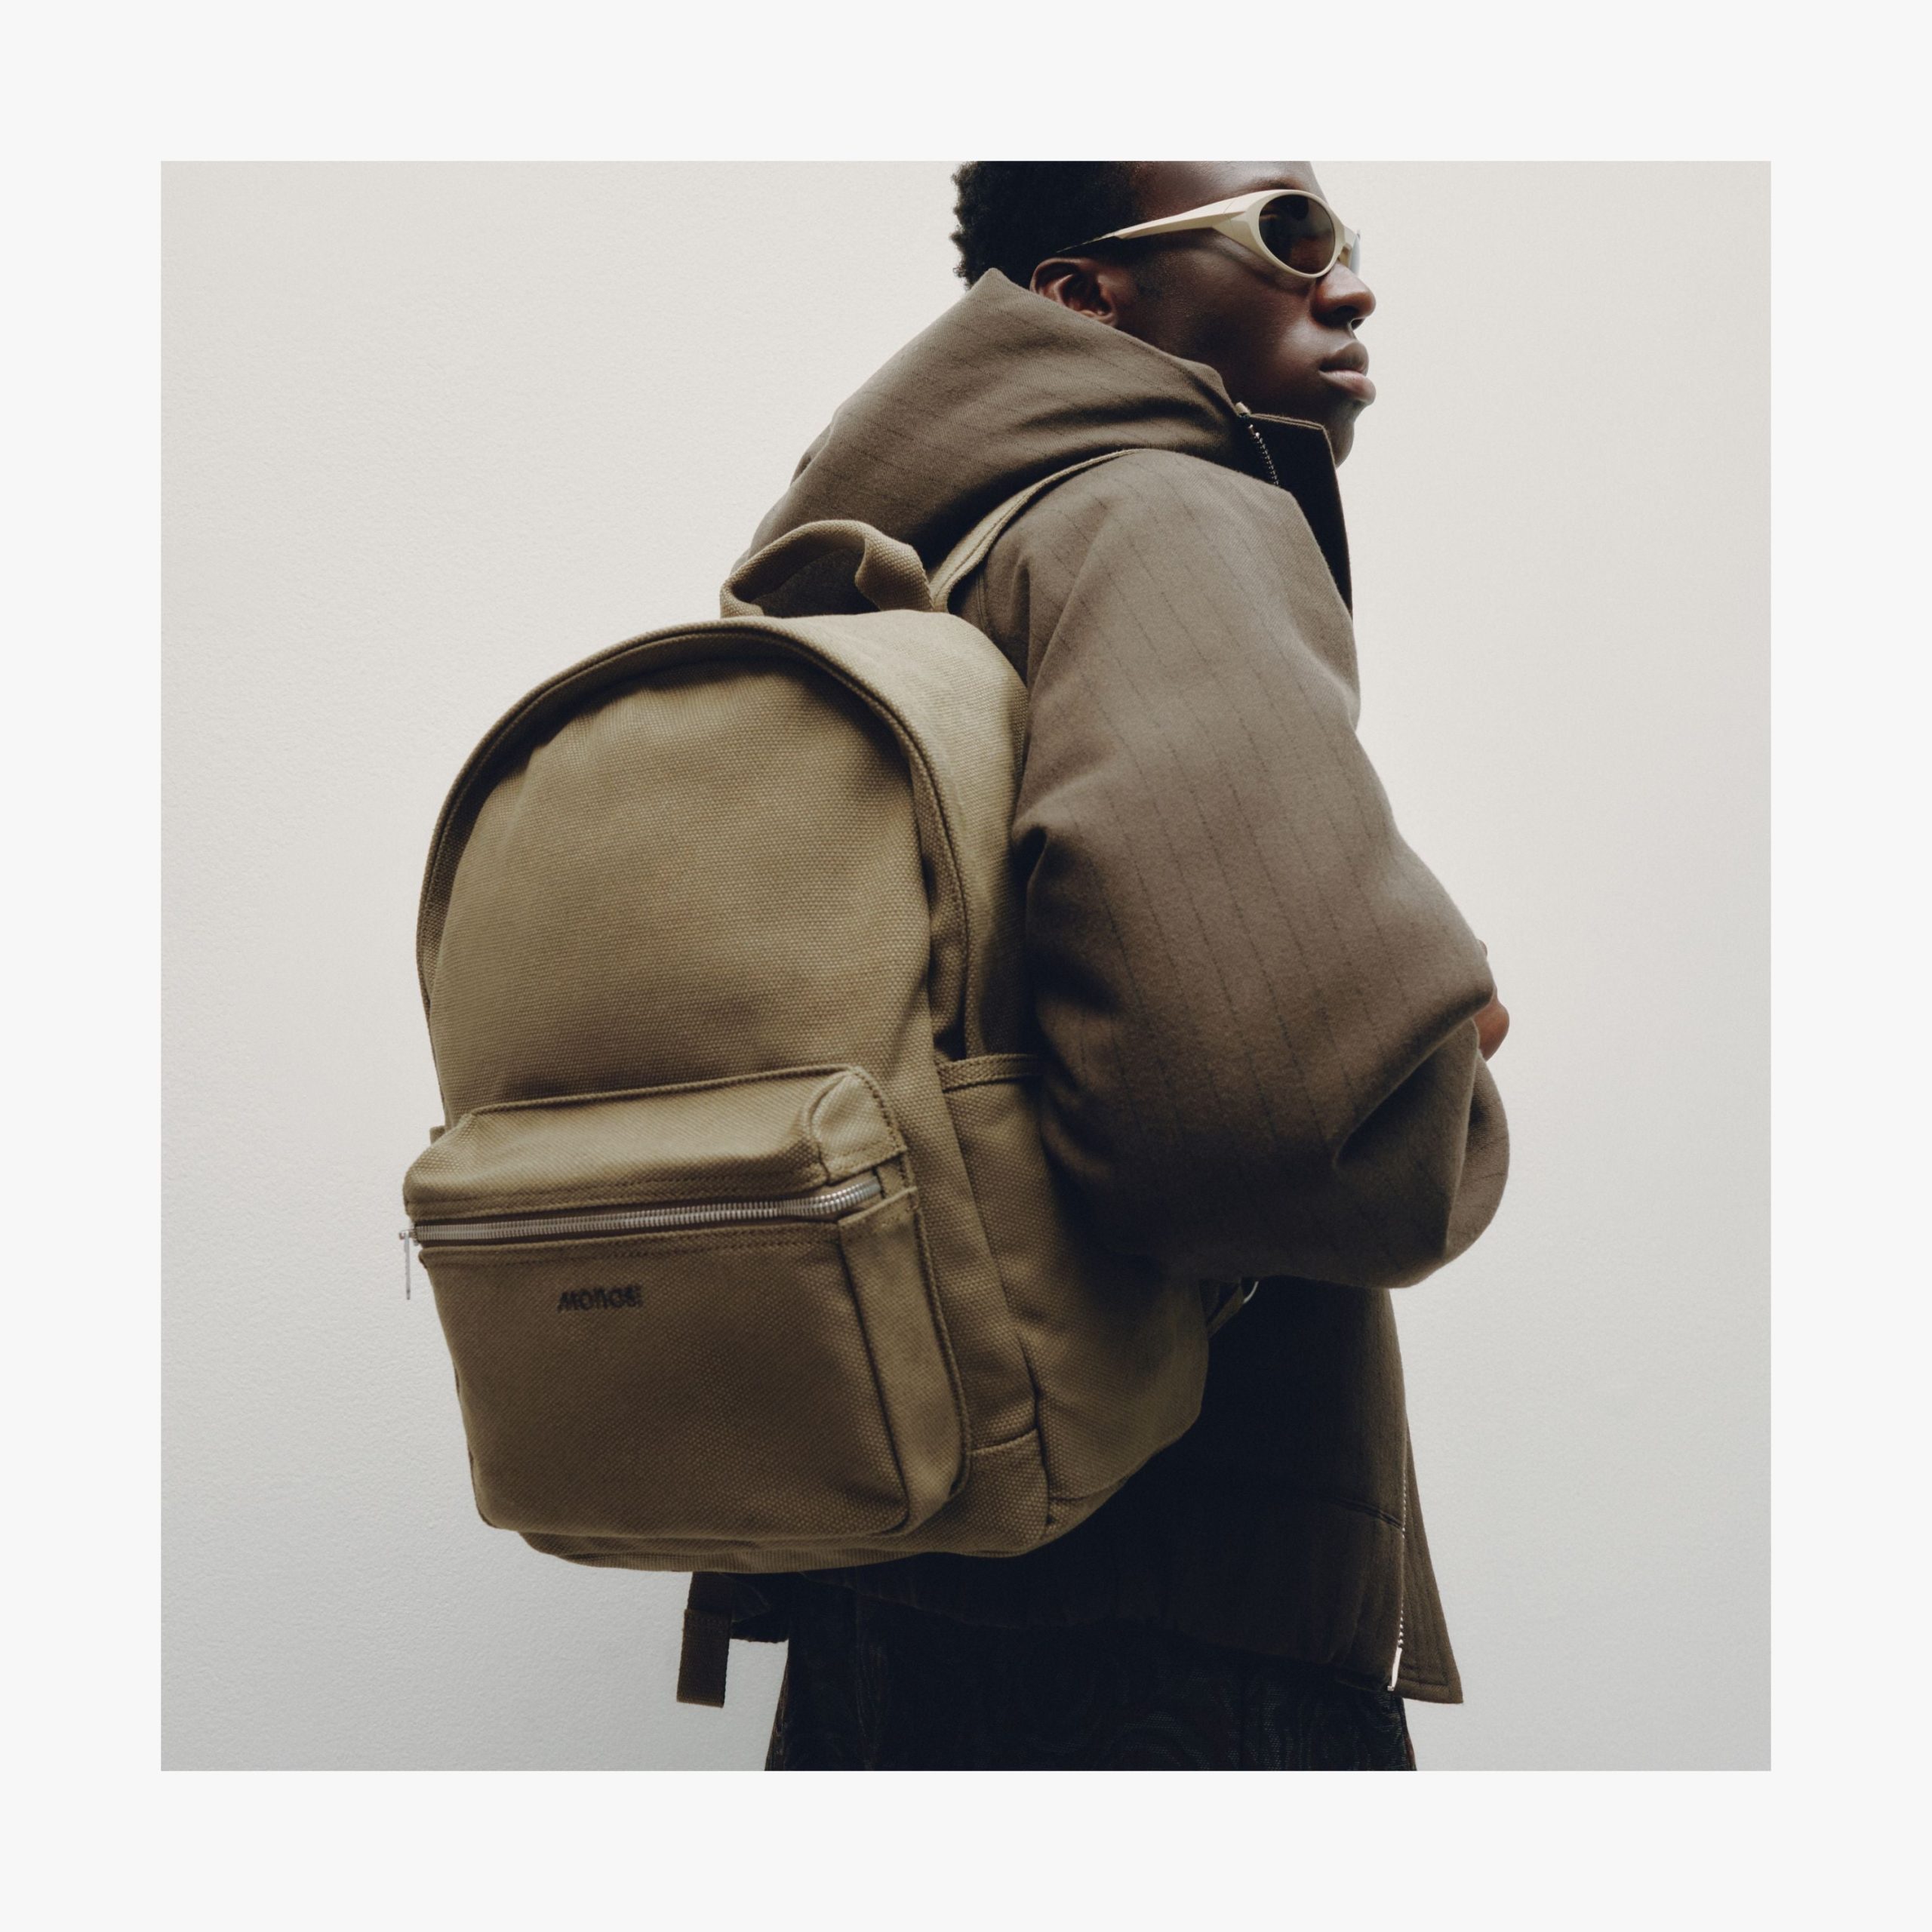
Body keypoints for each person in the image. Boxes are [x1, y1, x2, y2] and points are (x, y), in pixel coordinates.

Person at [734, 161, 1511, 1771]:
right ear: (1088, 301)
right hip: (1171, 1612)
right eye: (1287, 232)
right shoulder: (1159, 513)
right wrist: (1449, 1078)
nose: (1346, 282)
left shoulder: (884, 582)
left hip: (882, 1571)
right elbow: (1269, 1126)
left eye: (1339, 237)